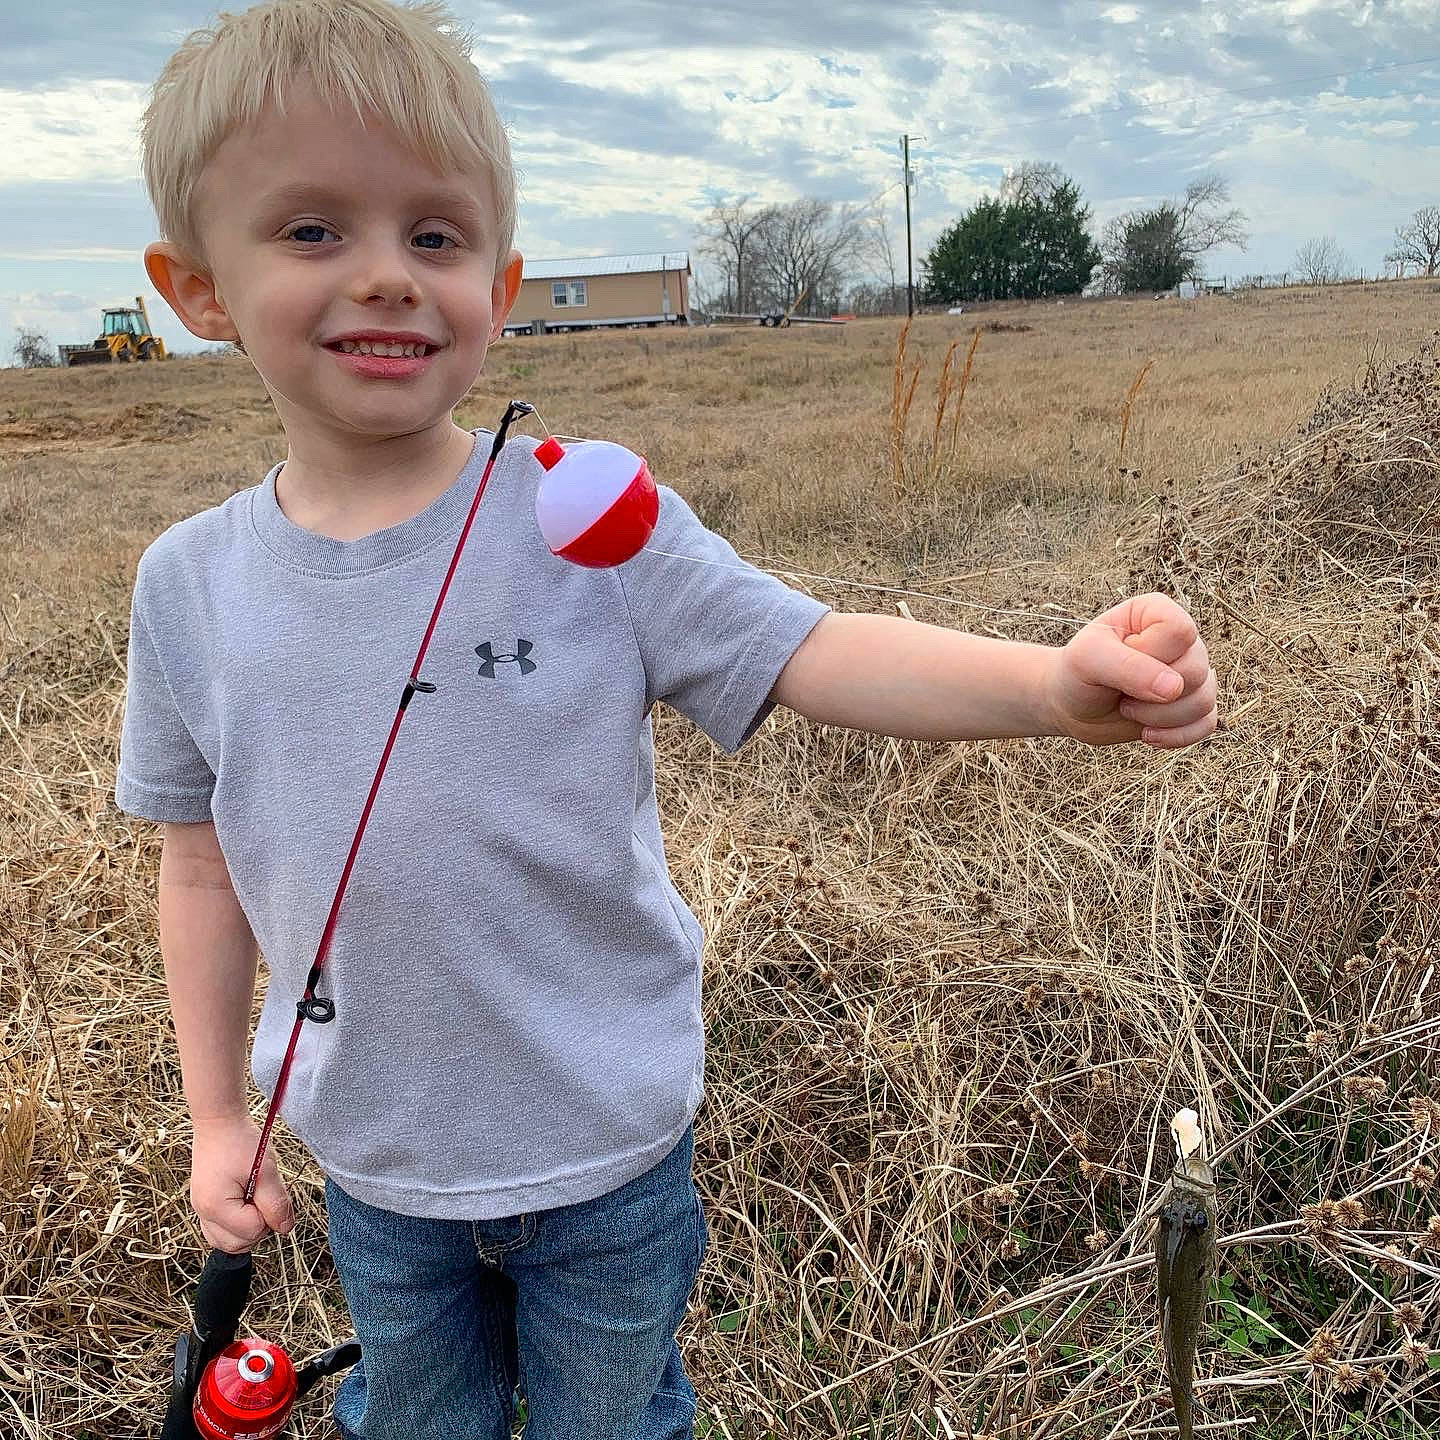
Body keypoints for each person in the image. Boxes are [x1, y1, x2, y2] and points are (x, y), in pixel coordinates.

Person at [117, 2, 1219, 1437]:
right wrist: (218, 1116)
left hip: (610, 1155)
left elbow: (810, 647)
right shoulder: (188, 584)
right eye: (313, 230)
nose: (388, 275)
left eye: (435, 236)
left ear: (501, 284)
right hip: (377, 1166)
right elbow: (200, 867)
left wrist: (1048, 688)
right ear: (197, 289)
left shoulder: (590, 517)